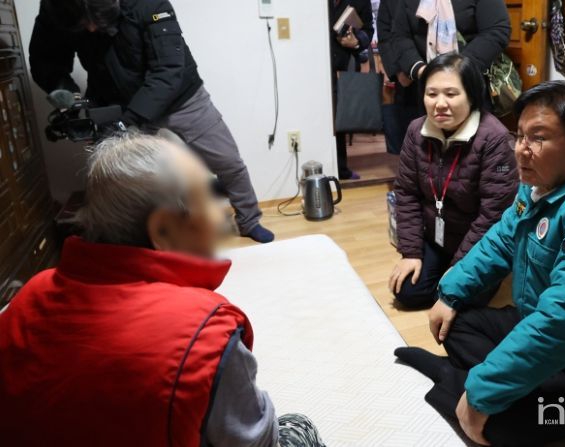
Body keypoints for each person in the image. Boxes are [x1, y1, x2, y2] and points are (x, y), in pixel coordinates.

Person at [0, 133, 324, 447]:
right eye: (206, 201)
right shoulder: (207, 334)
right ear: (164, 231)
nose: (220, 216)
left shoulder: (29, 295)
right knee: (298, 425)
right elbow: (258, 440)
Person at [395, 81, 565, 445]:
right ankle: (480, 383)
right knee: (457, 322)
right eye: (520, 135)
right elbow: (502, 238)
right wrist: (450, 292)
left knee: (493, 425)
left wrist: (482, 394)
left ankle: (455, 379)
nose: (521, 150)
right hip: (547, 332)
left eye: (537, 138)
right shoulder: (542, 178)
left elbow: (562, 322)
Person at [29, 0, 274, 243]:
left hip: (180, 95)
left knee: (227, 160)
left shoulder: (149, 4)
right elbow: (45, 60)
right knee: (113, 177)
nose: (91, 29)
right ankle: (128, 239)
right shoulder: (57, 7)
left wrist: (129, 121)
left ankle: (250, 220)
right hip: (113, 97)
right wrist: (67, 93)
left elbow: (168, 70)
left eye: (96, 22)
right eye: (83, 25)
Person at [388, 54, 518, 309]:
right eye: (432, 94)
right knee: (408, 292)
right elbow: (406, 193)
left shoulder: (495, 138)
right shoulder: (416, 130)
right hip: (438, 236)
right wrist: (411, 253)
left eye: (451, 94)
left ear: (471, 95)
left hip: (481, 244)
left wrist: (461, 266)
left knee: (459, 300)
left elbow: (493, 214)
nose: (440, 104)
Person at [391, 0, 510, 105]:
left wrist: (459, 68)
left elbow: (497, 30)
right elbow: (400, 36)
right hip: (426, 85)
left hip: (470, 82)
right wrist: (420, 69)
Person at [329, 0, 375, 179]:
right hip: (315, 62)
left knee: (340, 116)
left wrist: (356, 41)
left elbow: (368, 30)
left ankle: (341, 169)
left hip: (344, 65)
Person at [377, 0, 420, 155]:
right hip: (406, 76)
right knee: (409, 138)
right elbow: (384, 36)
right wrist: (398, 71)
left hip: (439, 70)